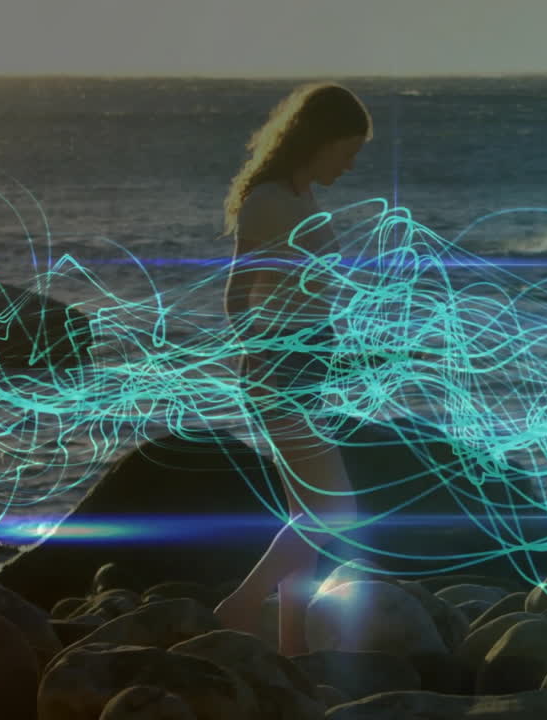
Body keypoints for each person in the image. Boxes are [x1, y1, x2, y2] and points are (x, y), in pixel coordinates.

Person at [216, 81, 372, 656]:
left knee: (305, 512)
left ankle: (291, 644)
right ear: (319, 140)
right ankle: (239, 606)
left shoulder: (303, 198)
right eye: (346, 151)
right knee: (335, 511)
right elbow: (237, 296)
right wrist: (263, 364)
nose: (350, 165)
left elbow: (306, 294)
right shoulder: (268, 201)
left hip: (308, 366)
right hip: (280, 371)